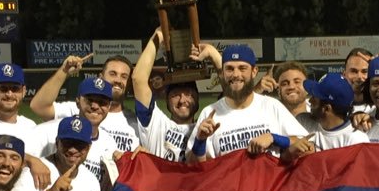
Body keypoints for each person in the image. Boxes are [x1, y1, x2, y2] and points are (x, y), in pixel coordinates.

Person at [186, 44, 312, 160]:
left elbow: (309, 145)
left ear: (254, 71)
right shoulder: (209, 113)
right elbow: (193, 166)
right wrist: (200, 142)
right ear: (222, 73)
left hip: (267, 178)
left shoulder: (271, 106)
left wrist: (274, 138)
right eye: (229, 69)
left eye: (242, 68)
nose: (236, 74)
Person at [5, 116, 102, 191]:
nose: (72, 150)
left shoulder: (91, 181)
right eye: (67, 143)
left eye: (79, 145)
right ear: (57, 142)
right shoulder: (36, 172)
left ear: (89, 147)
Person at [132, 28, 198, 163]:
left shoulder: (206, 130)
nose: (182, 100)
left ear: (197, 97)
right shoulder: (156, 124)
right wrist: (157, 38)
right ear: (167, 100)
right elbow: (138, 79)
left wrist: (211, 53)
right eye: (175, 95)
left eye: (188, 94)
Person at [32, 52, 136, 129]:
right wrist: (64, 71)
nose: (118, 80)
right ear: (100, 78)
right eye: (112, 74)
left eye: (124, 76)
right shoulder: (81, 109)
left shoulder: (134, 123)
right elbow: (39, 106)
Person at [0, 63, 40, 153]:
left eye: (15, 89)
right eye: (3, 89)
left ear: (24, 91)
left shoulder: (30, 126)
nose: (9, 94)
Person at [300, 73, 369, 152]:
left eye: (314, 99)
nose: (309, 100)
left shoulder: (356, 139)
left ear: (326, 109)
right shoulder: (304, 123)